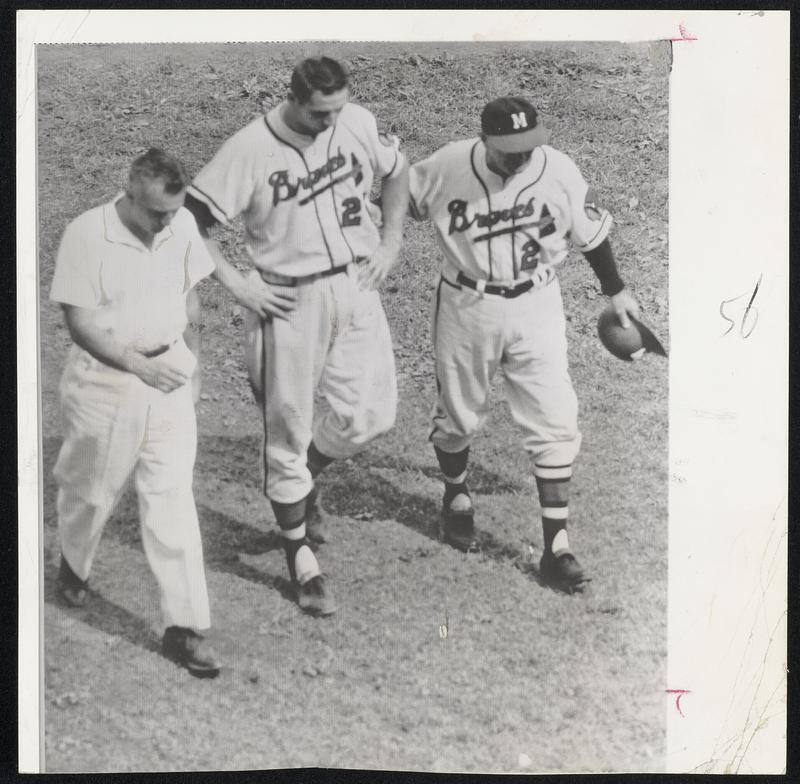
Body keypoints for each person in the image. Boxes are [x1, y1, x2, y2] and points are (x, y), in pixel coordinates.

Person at [185, 56, 408, 616]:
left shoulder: (354, 120)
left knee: (370, 416)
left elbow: (398, 169)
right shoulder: (249, 148)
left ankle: (301, 486)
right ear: (294, 99)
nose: (331, 121)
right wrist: (239, 285)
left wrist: (391, 243)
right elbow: (190, 220)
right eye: (320, 113)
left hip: (356, 285)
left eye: (338, 108)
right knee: (287, 427)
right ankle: (300, 557)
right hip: (288, 299)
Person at [408, 96, 641, 592]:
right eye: (510, 149)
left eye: (529, 146)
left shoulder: (556, 170)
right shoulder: (449, 164)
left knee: (556, 419)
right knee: (458, 415)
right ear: (484, 139)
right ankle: (456, 495)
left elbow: (589, 235)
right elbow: (400, 200)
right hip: (466, 303)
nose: (521, 158)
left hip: (537, 301)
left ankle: (556, 548)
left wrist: (616, 290)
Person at [51, 148, 221, 677]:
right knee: (90, 491)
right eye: (155, 213)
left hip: (168, 373)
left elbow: (191, 298)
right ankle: (74, 566)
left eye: (172, 212)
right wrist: (136, 368)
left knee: (172, 499)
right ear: (128, 192)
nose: (165, 223)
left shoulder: (182, 223)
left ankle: (184, 627)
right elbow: (79, 322)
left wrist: (193, 367)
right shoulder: (86, 233)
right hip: (104, 383)